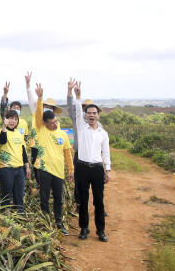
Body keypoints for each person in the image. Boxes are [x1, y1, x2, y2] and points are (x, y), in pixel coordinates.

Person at [72, 81, 111, 242]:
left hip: (96, 169)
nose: (92, 115)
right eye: (89, 113)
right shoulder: (81, 127)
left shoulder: (103, 133)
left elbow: (106, 152)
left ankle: (101, 231)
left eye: (94, 113)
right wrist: (78, 96)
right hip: (81, 167)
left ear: (98, 115)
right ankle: (84, 228)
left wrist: (107, 170)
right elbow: (76, 110)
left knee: (99, 201)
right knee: (82, 200)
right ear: (85, 115)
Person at [33, 84, 74, 235]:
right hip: (44, 169)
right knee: (44, 197)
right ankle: (45, 222)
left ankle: (58, 222)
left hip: (58, 171)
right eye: (51, 123)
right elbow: (38, 114)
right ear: (44, 123)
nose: (55, 124)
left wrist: (70, 169)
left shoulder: (62, 134)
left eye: (56, 121)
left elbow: (68, 153)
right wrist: (39, 98)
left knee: (59, 198)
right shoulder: (41, 129)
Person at [25, 71, 62, 181]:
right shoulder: (36, 116)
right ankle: (41, 188)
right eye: (46, 106)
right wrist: (28, 85)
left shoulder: (56, 123)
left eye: (51, 107)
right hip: (36, 147)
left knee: (48, 170)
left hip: (49, 149)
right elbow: (31, 100)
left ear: (54, 110)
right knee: (37, 170)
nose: (48, 108)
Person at [0, 109, 31, 212]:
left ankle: (20, 214)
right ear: (6, 119)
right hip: (6, 168)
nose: (13, 121)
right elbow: (2, 140)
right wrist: (4, 127)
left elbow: (23, 151)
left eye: (15, 119)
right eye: (10, 118)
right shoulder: (1, 131)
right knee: (7, 193)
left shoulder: (19, 133)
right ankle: (5, 215)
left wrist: (27, 166)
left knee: (19, 193)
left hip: (19, 168)